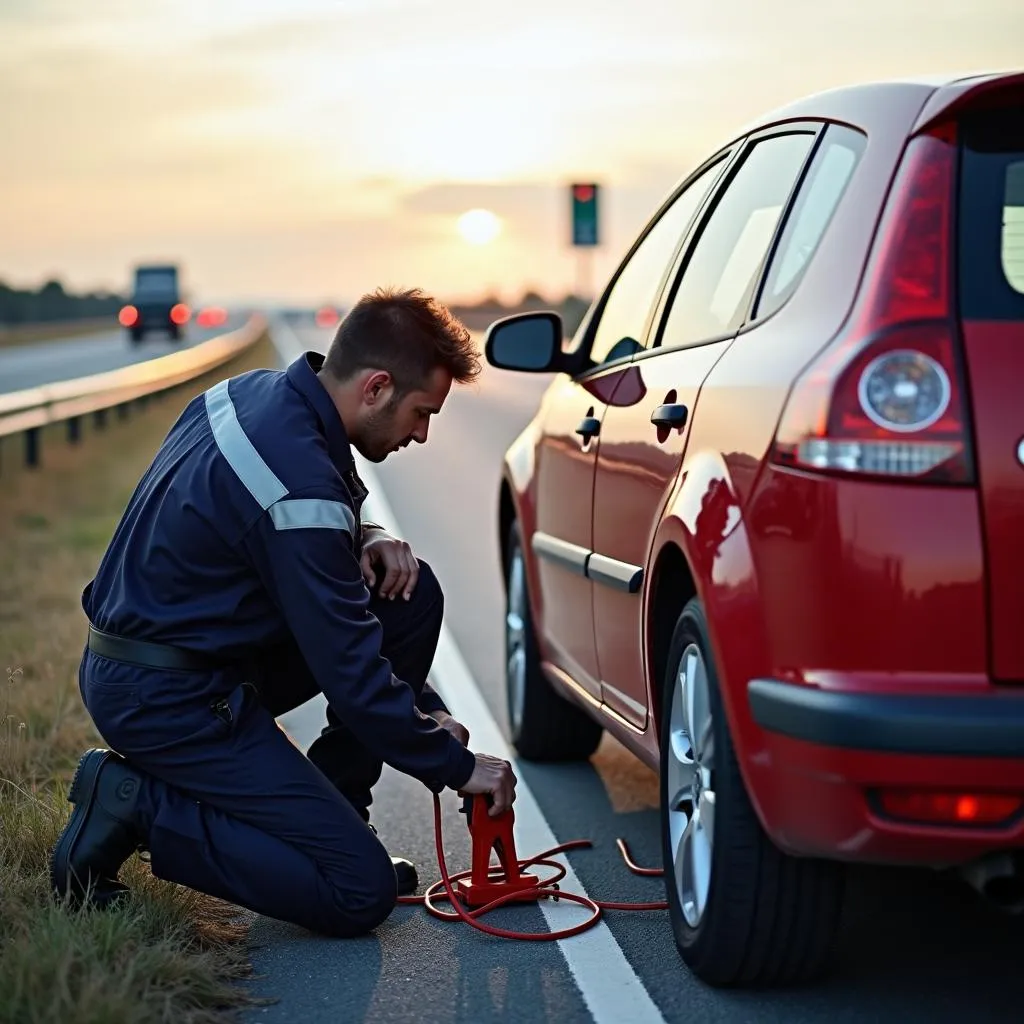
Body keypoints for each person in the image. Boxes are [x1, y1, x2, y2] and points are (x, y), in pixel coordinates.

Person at [50, 286, 518, 937]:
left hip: (194, 659)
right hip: (168, 700)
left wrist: (371, 536)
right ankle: (134, 804)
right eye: (421, 412)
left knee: (410, 593)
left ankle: (338, 812)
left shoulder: (261, 395)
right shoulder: (296, 481)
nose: (423, 433)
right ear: (377, 387)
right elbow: (349, 669)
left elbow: (327, 524)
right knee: (358, 891)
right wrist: (458, 767)